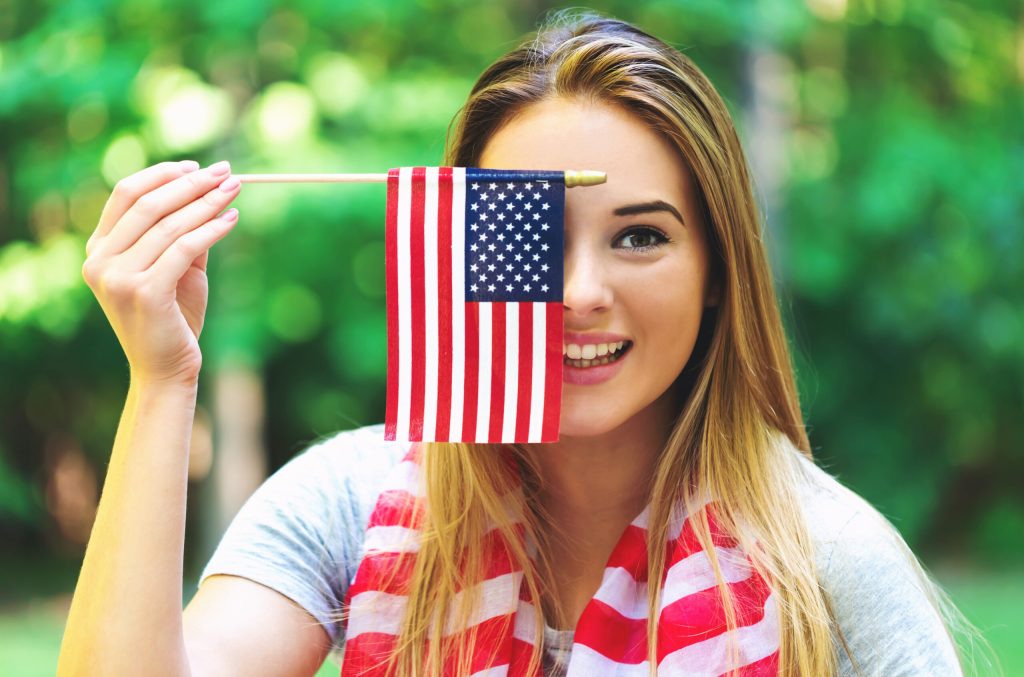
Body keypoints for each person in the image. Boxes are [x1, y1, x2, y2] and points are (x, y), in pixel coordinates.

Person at [59, 9, 978, 677]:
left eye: (641, 235)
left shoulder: (827, 564)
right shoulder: (354, 503)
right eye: (527, 235)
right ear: (463, 253)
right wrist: (161, 379)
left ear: (716, 277)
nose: (580, 293)